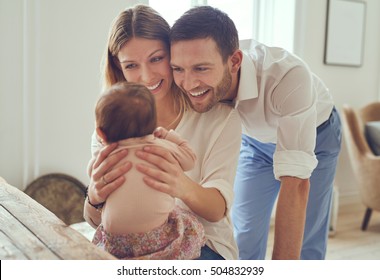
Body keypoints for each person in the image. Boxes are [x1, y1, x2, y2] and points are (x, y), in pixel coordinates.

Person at [168, 6, 342, 260]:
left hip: (317, 135)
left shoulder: (287, 76)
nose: (188, 83)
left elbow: (296, 184)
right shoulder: (194, 89)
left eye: (201, 69)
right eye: (179, 69)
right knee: (246, 234)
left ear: (235, 61)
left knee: (307, 239)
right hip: (257, 142)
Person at [83, 4, 242, 260]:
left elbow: (217, 209)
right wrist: (94, 196)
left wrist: (179, 184)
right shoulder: (111, 130)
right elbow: (100, 223)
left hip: (204, 245)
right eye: (131, 65)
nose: (146, 76)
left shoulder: (219, 119)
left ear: (172, 54)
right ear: (118, 67)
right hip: (135, 249)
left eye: (156, 59)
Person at [88, 81, 205, 259]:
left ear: (101, 133)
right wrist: (168, 135)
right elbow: (190, 160)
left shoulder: (104, 157)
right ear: (154, 125)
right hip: (159, 240)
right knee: (187, 220)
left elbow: (91, 172)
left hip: (116, 244)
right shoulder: (161, 147)